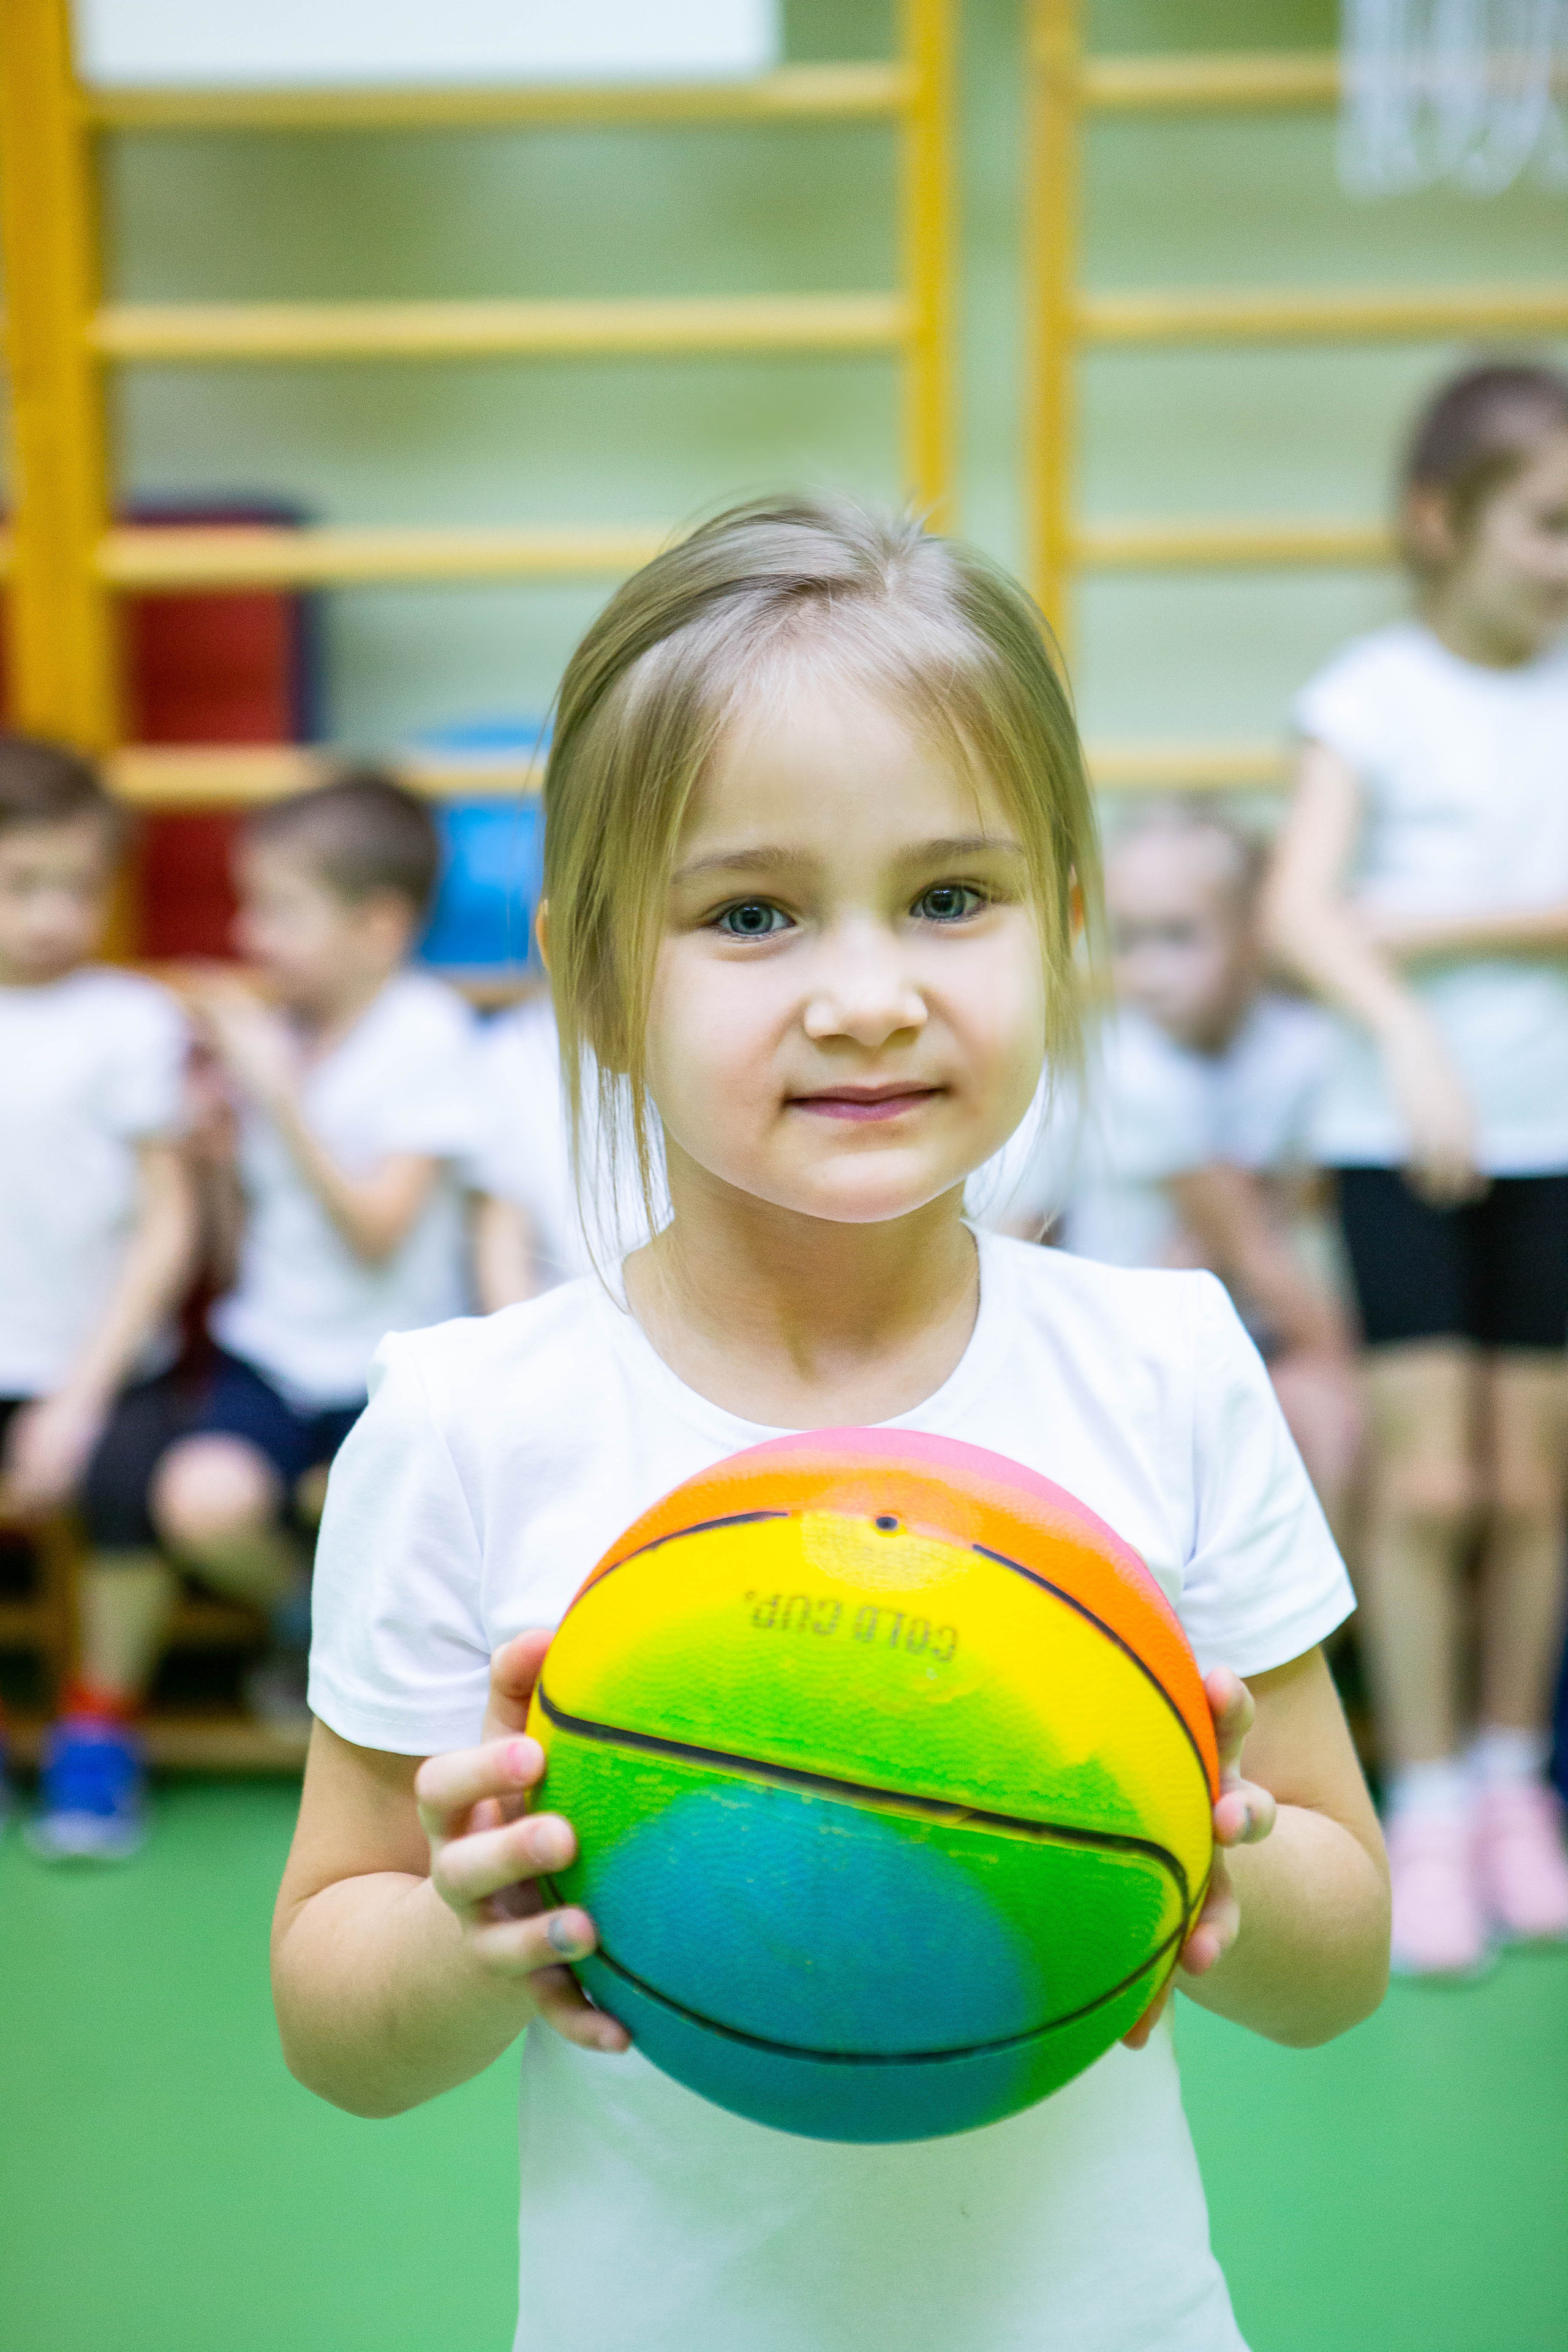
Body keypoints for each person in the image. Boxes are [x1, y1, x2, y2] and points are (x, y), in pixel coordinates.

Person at [274, 500, 1388, 2352]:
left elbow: (1336, 1960)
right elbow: (333, 2018)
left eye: (950, 897)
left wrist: (1203, 1839)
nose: (868, 999)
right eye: (749, 914)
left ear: (1065, 923)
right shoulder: (467, 1422)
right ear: (591, 977)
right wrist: (469, 1930)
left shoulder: (1167, 1362)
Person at [1265, 361, 1568, 1977]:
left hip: (1552, 1141)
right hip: (1402, 1142)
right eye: (1546, 524)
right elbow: (1298, 915)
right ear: (1439, 521)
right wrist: (1404, 1026)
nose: (1564, 559)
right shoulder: (1368, 697)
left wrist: (1422, 927)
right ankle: (1431, 1805)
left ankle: (1516, 1788)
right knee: (1430, 1477)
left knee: (1534, 1486)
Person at [150, 771, 486, 1730]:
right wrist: (215, 1155)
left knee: (396, 1528)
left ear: (378, 926)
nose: (250, 936)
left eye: (280, 912)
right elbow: (235, 1253)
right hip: (273, 1351)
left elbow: (376, 1233)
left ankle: (363, 1663)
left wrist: (277, 1092)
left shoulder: (426, 1032)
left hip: (395, 1362)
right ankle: (306, 1619)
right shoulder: (282, 1031)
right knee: (199, 1504)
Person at [980, 805, 1360, 1534]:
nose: (1149, 973)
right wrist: (1343, 1363)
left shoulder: (1301, 1048)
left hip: (1242, 1331)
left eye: (1179, 937)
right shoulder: (1127, 1064)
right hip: (1117, 1338)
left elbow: (1282, 1217)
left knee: (1326, 1431)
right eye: (1128, 941)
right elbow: (1244, 1244)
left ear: (1253, 932)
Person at [0, 736, 197, 1860]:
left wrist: (79, 1397)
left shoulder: (131, 1017)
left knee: (130, 1495)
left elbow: (169, 1221)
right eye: (22, 884)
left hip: (106, 1358)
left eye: (78, 887)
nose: (52, 915)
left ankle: (98, 1724)